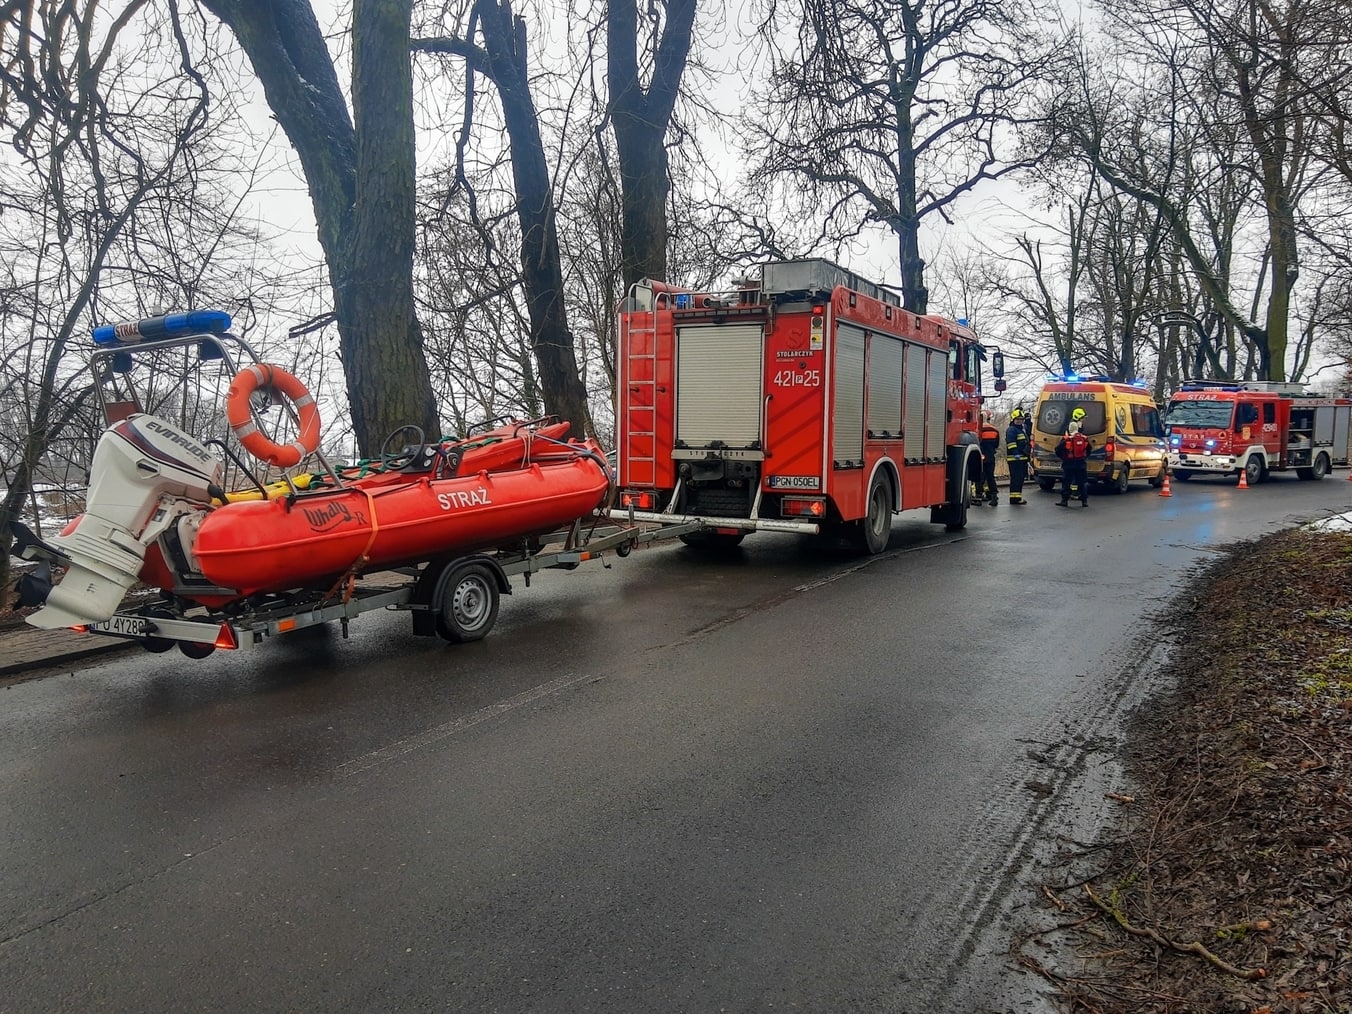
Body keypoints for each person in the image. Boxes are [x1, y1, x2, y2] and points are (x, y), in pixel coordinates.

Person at [1056, 420, 1092, 507]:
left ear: (1069, 429)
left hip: (1069, 464)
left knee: (1066, 482)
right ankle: (1084, 501)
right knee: (1081, 482)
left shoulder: (1066, 439)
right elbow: (1089, 449)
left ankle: (1064, 500)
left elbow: (1057, 449)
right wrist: (1084, 457)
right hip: (1081, 464)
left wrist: (1064, 458)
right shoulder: (1084, 438)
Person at [1005, 408, 1030, 505]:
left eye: (1021, 419)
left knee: (1019, 479)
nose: (1020, 421)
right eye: (1018, 419)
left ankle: (1017, 497)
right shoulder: (1012, 430)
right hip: (1015, 459)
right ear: (1013, 419)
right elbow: (1011, 443)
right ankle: (1015, 499)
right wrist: (1016, 453)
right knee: (1016, 479)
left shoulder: (1021, 430)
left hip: (1022, 459)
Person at [976, 413, 1001, 505]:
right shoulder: (994, 430)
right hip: (990, 457)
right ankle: (993, 496)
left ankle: (978, 497)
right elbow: (996, 445)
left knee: (979, 477)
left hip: (980, 457)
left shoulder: (978, 430)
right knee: (990, 477)